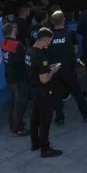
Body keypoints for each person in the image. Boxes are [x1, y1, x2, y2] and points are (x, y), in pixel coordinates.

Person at [48, 11, 87, 125]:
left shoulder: (49, 35)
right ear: (64, 20)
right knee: (77, 92)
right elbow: (76, 49)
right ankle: (86, 114)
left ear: (52, 21)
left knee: (56, 94)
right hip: (68, 68)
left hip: (54, 69)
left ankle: (59, 118)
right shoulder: (70, 33)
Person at [25, 28, 63, 157]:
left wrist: (48, 67)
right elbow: (45, 79)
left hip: (33, 90)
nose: (49, 43)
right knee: (45, 121)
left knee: (35, 118)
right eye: (49, 41)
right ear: (44, 40)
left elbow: (36, 70)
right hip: (43, 92)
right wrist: (53, 71)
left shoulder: (29, 52)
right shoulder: (40, 57)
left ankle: (35, 143)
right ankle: (45, 149)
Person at [1, 22, 29, 136]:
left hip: (9, 77)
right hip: (19, 78)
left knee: (13, 102)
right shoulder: (18, 45)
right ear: (12, 30)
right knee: (20, 103)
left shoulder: (3, 43)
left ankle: (13, 125)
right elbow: (25, 59)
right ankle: (18, 129)